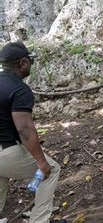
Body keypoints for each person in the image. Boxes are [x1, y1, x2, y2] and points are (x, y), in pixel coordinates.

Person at [0, 42, 61, 222]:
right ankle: (39, 220)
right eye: (30, 61)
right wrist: (41, 162)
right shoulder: (20, 89)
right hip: (6, 150)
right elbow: (25, 130)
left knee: (1, 175)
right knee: (51, 170)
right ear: (22, 63)